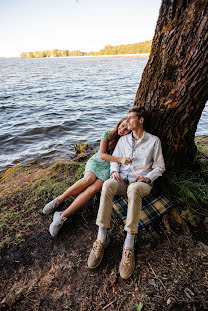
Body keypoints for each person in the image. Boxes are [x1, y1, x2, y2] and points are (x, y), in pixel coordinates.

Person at [88, 107, 165, 279]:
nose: (127, 121)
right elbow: (114, 160)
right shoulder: (123, 140)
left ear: (141, 120)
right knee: (108, 184)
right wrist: (114, 171)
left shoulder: (154, 141)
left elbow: (160, 166)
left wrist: (148, 178)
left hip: (141, 183)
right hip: (122, 180)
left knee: (134, 188)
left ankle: (128, 244)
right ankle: (101, 238)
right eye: (127, 118)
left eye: (131, 118)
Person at [43, 117, 131, 237]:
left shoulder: (127, 142)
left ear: (130, 131)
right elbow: (102, 155)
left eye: (126, 129)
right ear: (118, 124)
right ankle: (59, 200)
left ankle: (61, 216)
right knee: (88, 179)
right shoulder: (108, 134)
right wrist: (120, 159)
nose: (122, 130)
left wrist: (118, 166)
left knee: (93, 189)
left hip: (109, 168)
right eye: (122, 126)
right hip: (97, 162)